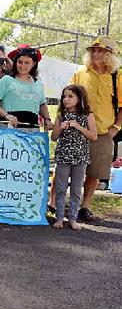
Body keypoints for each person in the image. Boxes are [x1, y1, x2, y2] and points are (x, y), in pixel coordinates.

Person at [68, 37, 122, 222]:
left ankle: (84, 207)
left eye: (101, 51)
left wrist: (116, 128)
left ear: (109, 55)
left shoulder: (117, 76)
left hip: (103, 132)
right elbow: (68, 97)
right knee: (67, 168)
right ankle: (55, 204)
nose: (96, 54)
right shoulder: (81, 72)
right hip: (78, 129)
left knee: (95, 172)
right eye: (93, 50)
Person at [51, 84, 97, 230]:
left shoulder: (88, 115)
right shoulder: (61, 116)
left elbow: (93, 136)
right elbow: (54, 137)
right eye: (64, 96)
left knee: (76, 189)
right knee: (60, 187)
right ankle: (59, 217)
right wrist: (60, 127)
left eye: (70, 96)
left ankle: (72, 218)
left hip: (80, 158)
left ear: (80, 98)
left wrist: (78, 127)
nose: (66, 99)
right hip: (64, 157)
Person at [0, 44, 52, 132]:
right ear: (15, 62)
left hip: (32, 131)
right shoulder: (7, 80)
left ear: (33, 64)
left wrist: (47, 119)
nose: (22, 66)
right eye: (20, 62)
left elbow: (42, 104)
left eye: (27, 63)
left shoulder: (37, 83)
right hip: (8, 129)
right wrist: (6, 115)